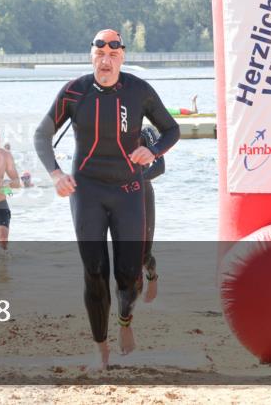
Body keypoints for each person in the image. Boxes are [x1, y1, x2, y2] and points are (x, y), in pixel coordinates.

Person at [34, 29, 180, 368]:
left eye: (113, 54)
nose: (106, 60)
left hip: (129, 190)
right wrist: (55, 174)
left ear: (122, 58)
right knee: (95, 270)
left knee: (128, 273)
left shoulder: (139, 90)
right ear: (91, 57)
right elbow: (42, 134)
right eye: (100, 54)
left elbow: (172, 129)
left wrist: (154, 150)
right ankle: (101, 346)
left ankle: (125, 322)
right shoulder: (75, 91)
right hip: (87, 190)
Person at [139, 125, 167, 303]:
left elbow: (160, 166)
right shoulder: (111, 131)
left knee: (144, 255)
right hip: (117, 195)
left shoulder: (146, 132)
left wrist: (136, 181)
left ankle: (151, 276)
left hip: (142, 191)